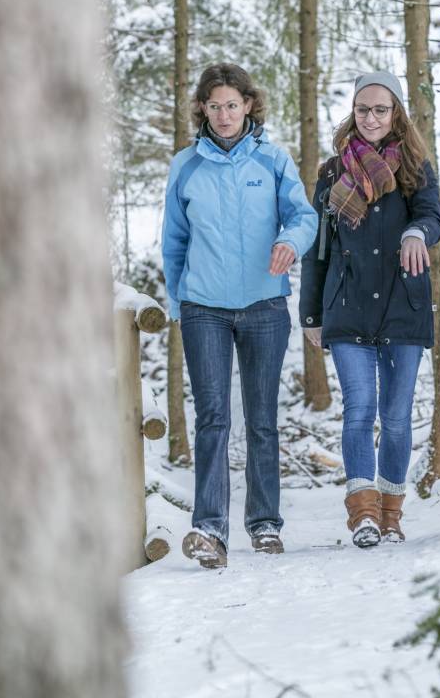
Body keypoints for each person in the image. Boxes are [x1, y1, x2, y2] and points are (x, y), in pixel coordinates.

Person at [162, 63, 318, 569]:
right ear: (202, 110)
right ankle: (209, 530)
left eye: (232, 104)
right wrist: (177, 302)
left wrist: (290, 242)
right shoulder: (185, 166)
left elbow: (304, 216)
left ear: (249, 105)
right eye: (214, 106)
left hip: (264, 307)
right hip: (203, 307)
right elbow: (174, 242)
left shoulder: (273, 161)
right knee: (212, 419)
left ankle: (265, 524)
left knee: (262, 420)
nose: (224, 115)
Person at [299, 71, 440, 547]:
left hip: (404, 306)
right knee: (359, 410)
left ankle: (391, 514)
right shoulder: (330, 173)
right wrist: (311, 314)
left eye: (382, 109)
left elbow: (431, 216)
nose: (372, 117)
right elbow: (317, 250)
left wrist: (416, 233)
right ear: (353, 112)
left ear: (396, 112)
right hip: (349, 308)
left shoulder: (417, 167)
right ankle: (362, 513)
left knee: (397, 416)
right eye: (363, 109)